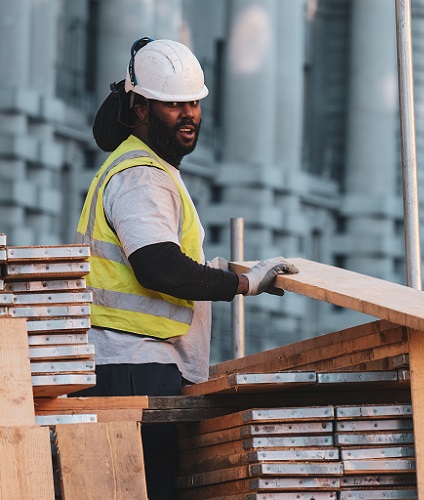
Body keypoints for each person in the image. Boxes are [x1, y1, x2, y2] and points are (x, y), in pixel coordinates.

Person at [74, 37, 298, 499]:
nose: (189, 114)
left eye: (193, 102)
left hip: (131, 363)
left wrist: (221, 271)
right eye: (172, 103)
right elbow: (157, 266)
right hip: (133, 365)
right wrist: (242, 283)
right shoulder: (142, 176)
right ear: (139, 108)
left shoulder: (148, 170)